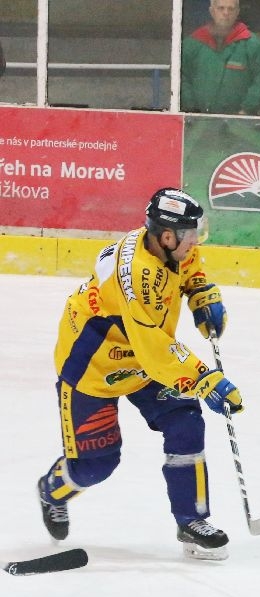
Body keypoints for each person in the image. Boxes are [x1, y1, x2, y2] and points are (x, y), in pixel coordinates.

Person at [36, 188, 244, 560]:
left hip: (143, 356)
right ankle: (52, 488)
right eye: (190, 235)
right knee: (96, 465)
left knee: (185, 420)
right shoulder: (137, 277)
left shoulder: (166, 245)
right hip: (94, 364)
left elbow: (189, 263)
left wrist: (200, 290)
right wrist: (204, 379)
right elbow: (155, 350)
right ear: (167, 236)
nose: (195, 242)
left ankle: (191, 522)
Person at [181, 0, 260, 115]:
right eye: (221, 8)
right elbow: (180, 76)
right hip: (196, 125)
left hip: (240, 127)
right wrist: (191, 109)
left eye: (231, 9)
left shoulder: (252, 45)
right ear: (212, 11)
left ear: (237, 12)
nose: (226, 13)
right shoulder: (192, 44)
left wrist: (246, 110)